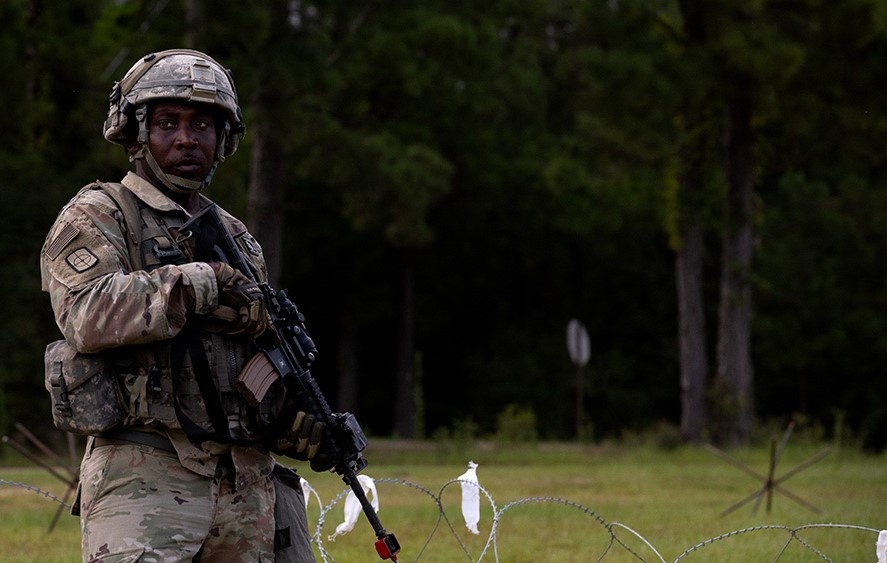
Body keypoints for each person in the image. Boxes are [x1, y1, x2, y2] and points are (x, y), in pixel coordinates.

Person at [40, 49, 321, 562]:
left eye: (203, 125)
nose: (187, 138)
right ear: (136, 132)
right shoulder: (103, 212)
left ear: (223, 139)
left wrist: (295, 421)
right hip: (144, 478)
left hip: (242, 488)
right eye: (168, 123)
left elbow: (246, 363)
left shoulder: (237, 237)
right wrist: (200, 283)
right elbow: (85, 313)